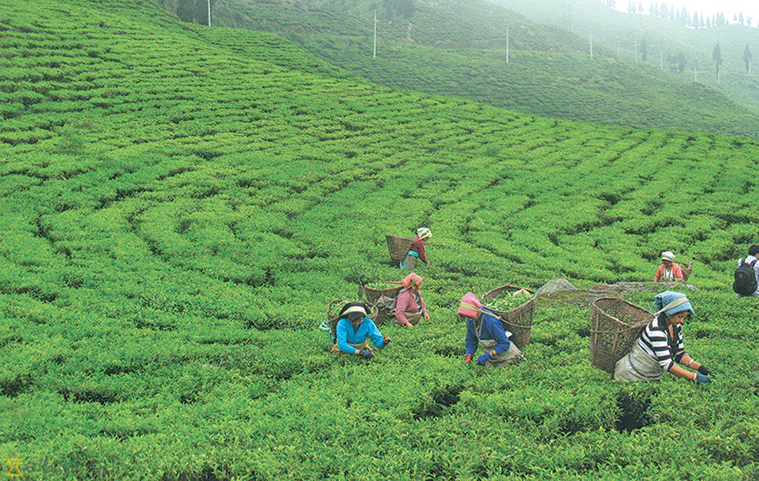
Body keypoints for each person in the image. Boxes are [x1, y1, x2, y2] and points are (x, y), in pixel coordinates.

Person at [614, 291, 712, 384]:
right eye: (679, 316)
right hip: (631, 376)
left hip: (651, 377)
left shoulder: (676, 326)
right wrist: (694, 377)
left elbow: (679, 354)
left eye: (684, 317)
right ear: (669, 313)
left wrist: (699, 367)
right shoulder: (656, 330)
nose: (682, 321)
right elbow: (667, 365)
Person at [459, 292, 521, 367]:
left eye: (470, 316)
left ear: (477, 311)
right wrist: (469, 355)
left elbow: (504, 344)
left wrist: (489, 355)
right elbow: (471, 341)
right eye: (467, 317)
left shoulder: (491, 321)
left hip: (507, 356)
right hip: (492, 358)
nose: (469, 319)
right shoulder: (471, 321)